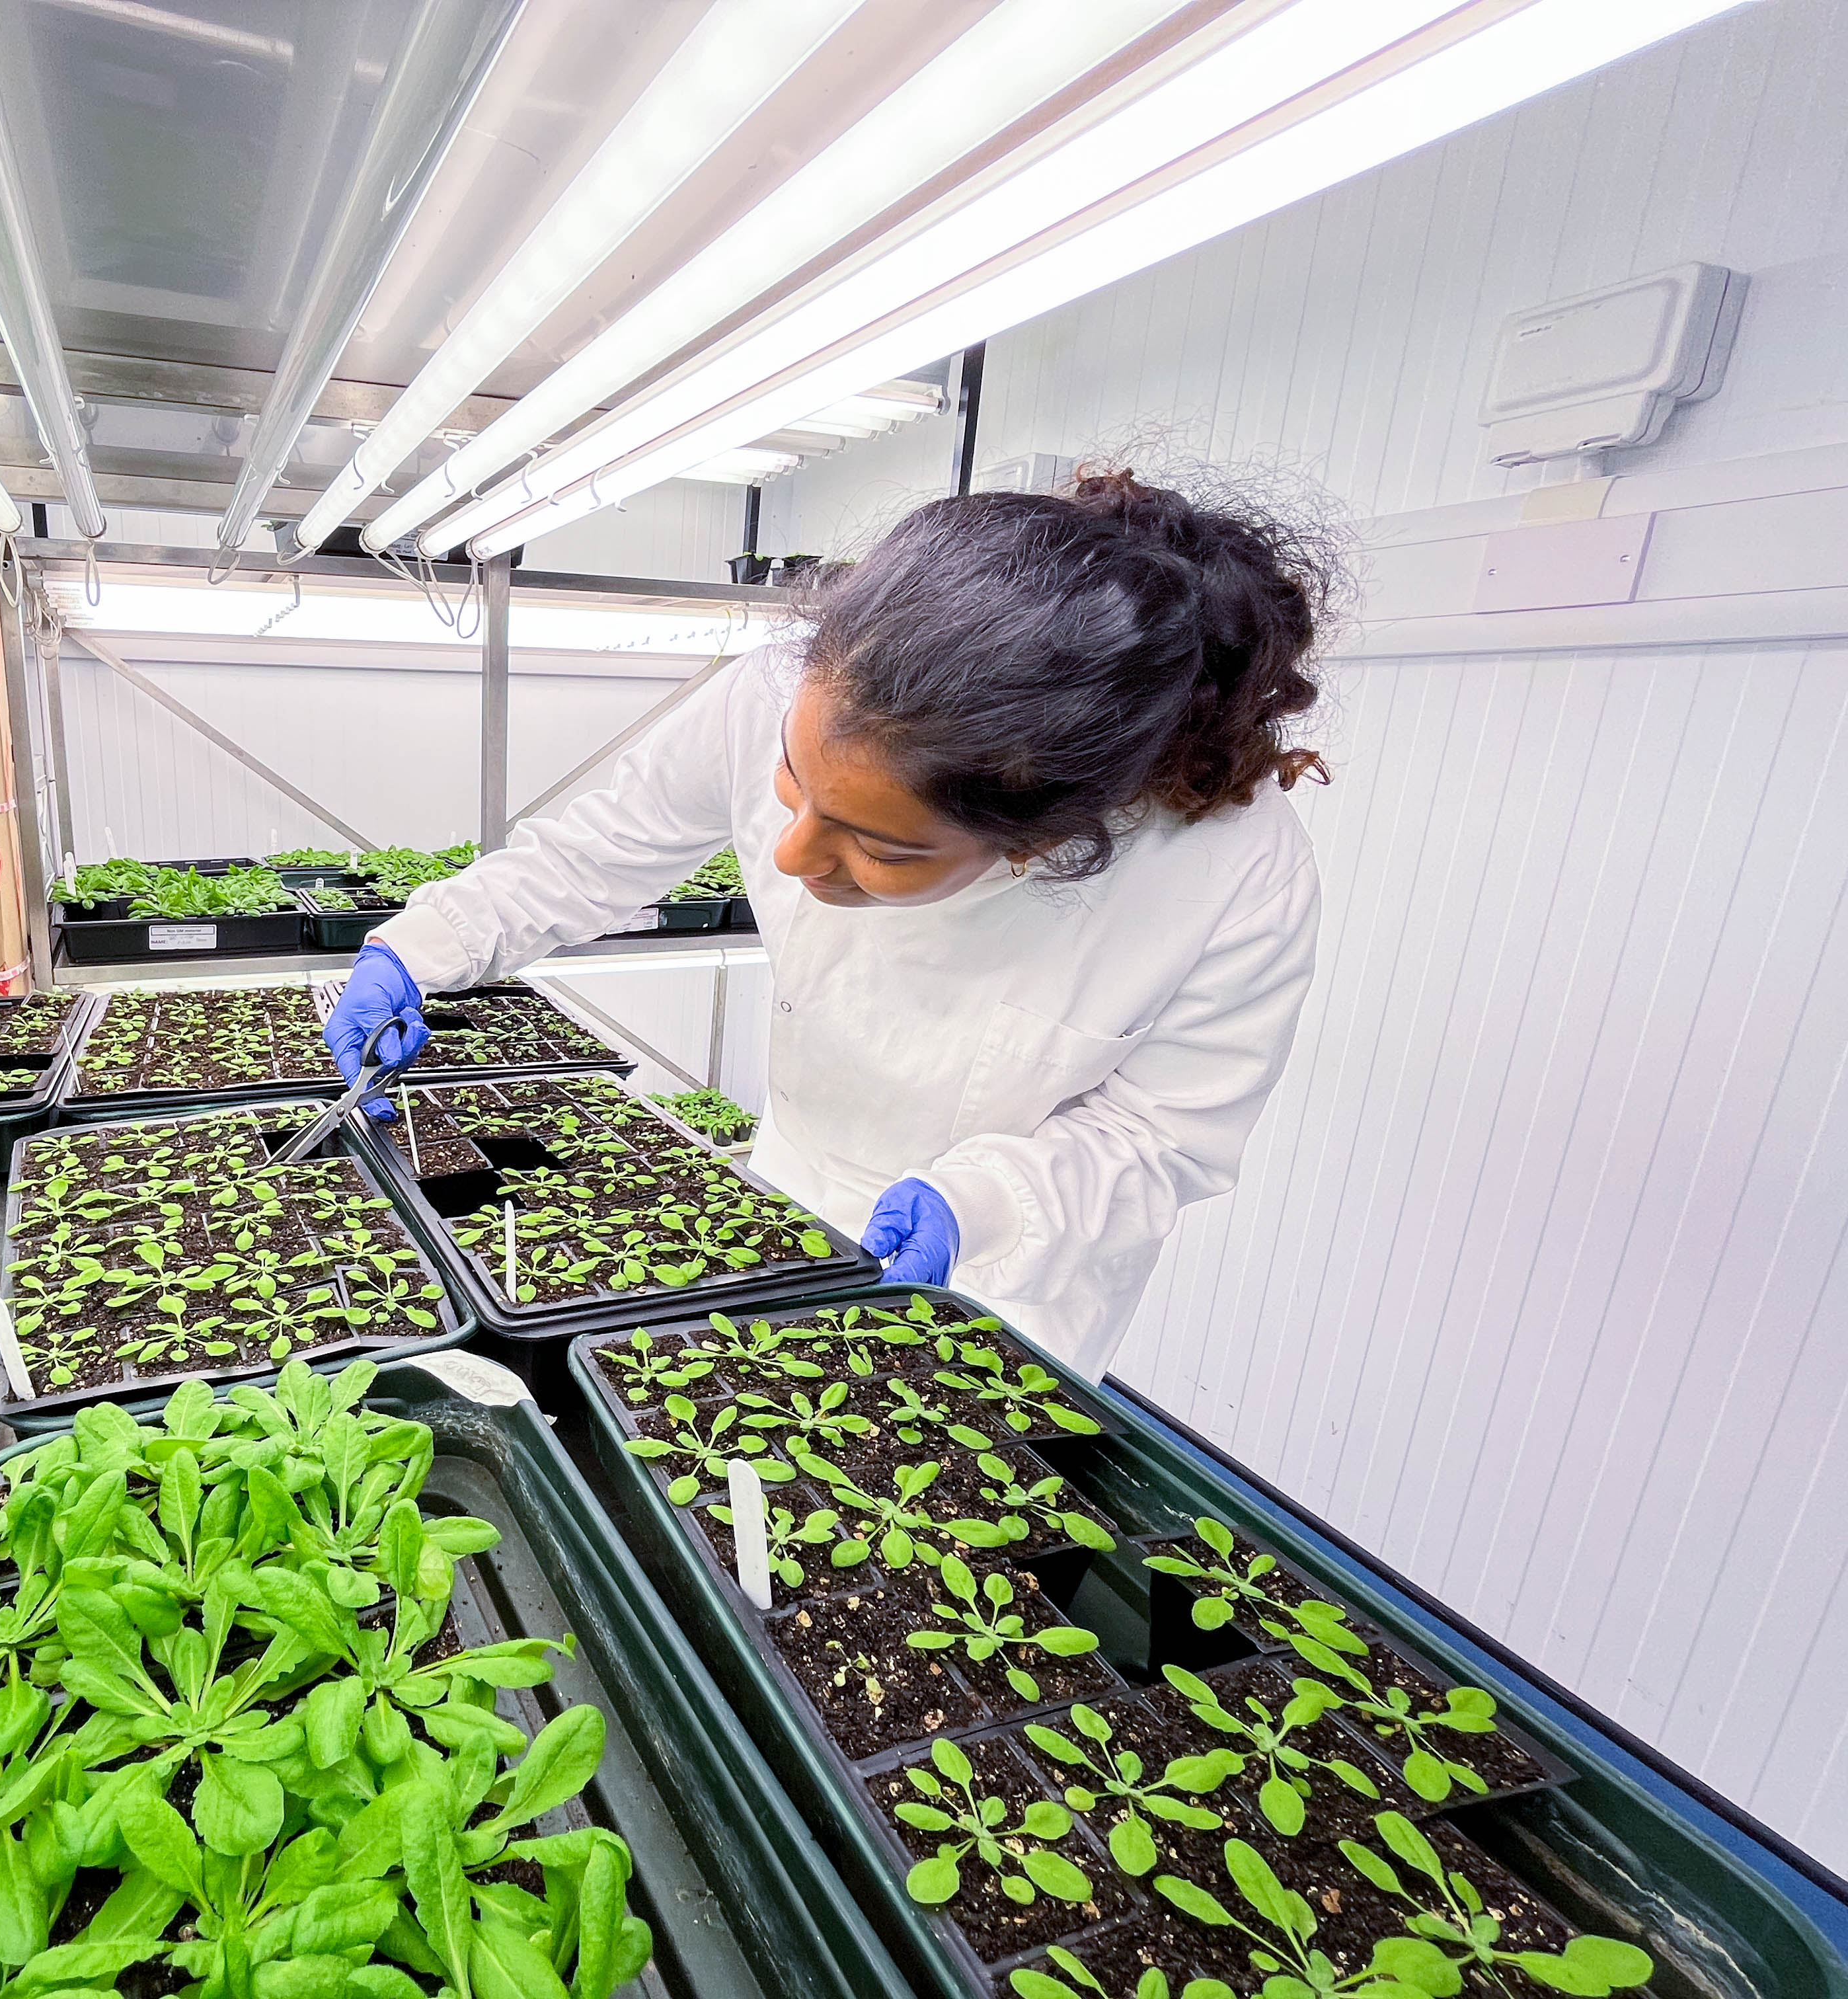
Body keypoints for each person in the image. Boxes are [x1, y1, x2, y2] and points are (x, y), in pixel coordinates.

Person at [324, 471, 1335, 1378]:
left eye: (881, 847)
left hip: (1006, 1284)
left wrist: (984, 1204)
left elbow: (1161, 1139)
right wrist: (423, 947)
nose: (792, 857)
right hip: (788, 1195)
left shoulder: (1230, 874)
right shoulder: (783, 688)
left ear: (1046, 842)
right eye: (790, 782)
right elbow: (595, 849)